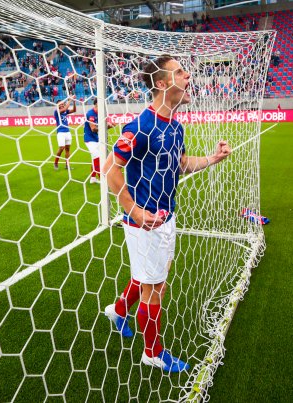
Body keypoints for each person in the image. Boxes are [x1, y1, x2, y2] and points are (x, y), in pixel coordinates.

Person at [101, 55, 231, 373]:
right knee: (155, 287)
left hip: (167, 216)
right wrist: (134, 210)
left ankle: (118, 310)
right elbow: (109, 170)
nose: (189, 77)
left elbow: (181, 164)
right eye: (181, 72)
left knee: (151, 277)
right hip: (144, 223)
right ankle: (152, 352)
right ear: (162, 84)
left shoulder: (175, 125)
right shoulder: (140, 127)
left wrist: (212, 159)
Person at [83, 102, 113, 183]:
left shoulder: (100, 114)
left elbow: (101, 128)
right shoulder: (91, 114)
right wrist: (106, 126)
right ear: (97, 104)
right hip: (89, 140)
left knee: (95, 158)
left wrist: (109, 126)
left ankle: (93, 178)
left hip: (96, 139)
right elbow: (93, 128)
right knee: (98, 158)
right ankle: (103, 180)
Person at [53, 97, 76, 170]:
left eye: (63, 104)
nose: (62, 105)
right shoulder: (57, 111)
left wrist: (74, 102)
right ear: (57, 105)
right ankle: (56, 162)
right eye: (60, 104)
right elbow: (65, 109)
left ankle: (67, 165)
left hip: (67, 132)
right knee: (61, 148)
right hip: (60, 132)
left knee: (67, 149)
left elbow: (74, 110)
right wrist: (70, 100)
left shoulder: (65, 111)